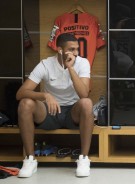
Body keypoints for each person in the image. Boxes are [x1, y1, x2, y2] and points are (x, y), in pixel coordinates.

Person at [16, 33, 94, 178]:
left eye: (77, 49)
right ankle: (30, 160)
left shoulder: (82, 63)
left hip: (73, 113)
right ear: (60, 50)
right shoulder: (45, 64)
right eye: (72, 49)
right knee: (25, 103)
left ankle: (83, 159)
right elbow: (20, 93)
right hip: (50, 112)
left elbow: (84, 94)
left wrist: (70, 68)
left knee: (87, 103)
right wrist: (44, 95)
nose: (76, 53)